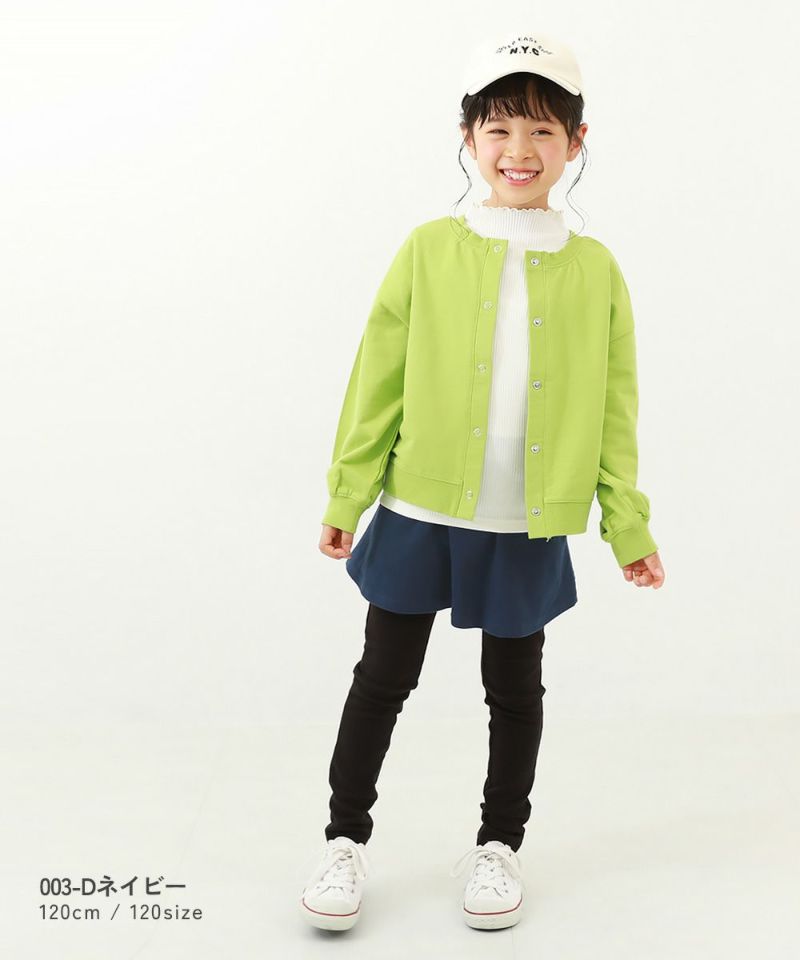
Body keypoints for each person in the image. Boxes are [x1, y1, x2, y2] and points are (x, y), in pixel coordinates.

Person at [300, 29, 666, 933]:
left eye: (542, 131)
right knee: (382, 676)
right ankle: (344, 839)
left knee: (516, 688)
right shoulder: (428, 249)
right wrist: (348, 494)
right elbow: (377, 380)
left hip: (526, 520)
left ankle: (499, 846)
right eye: (499, 128)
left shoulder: (596, 270)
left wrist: (626, 524)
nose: (519, 150)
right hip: (418, 506)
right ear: (468, 137)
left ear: (576, 142)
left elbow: (615, 407)